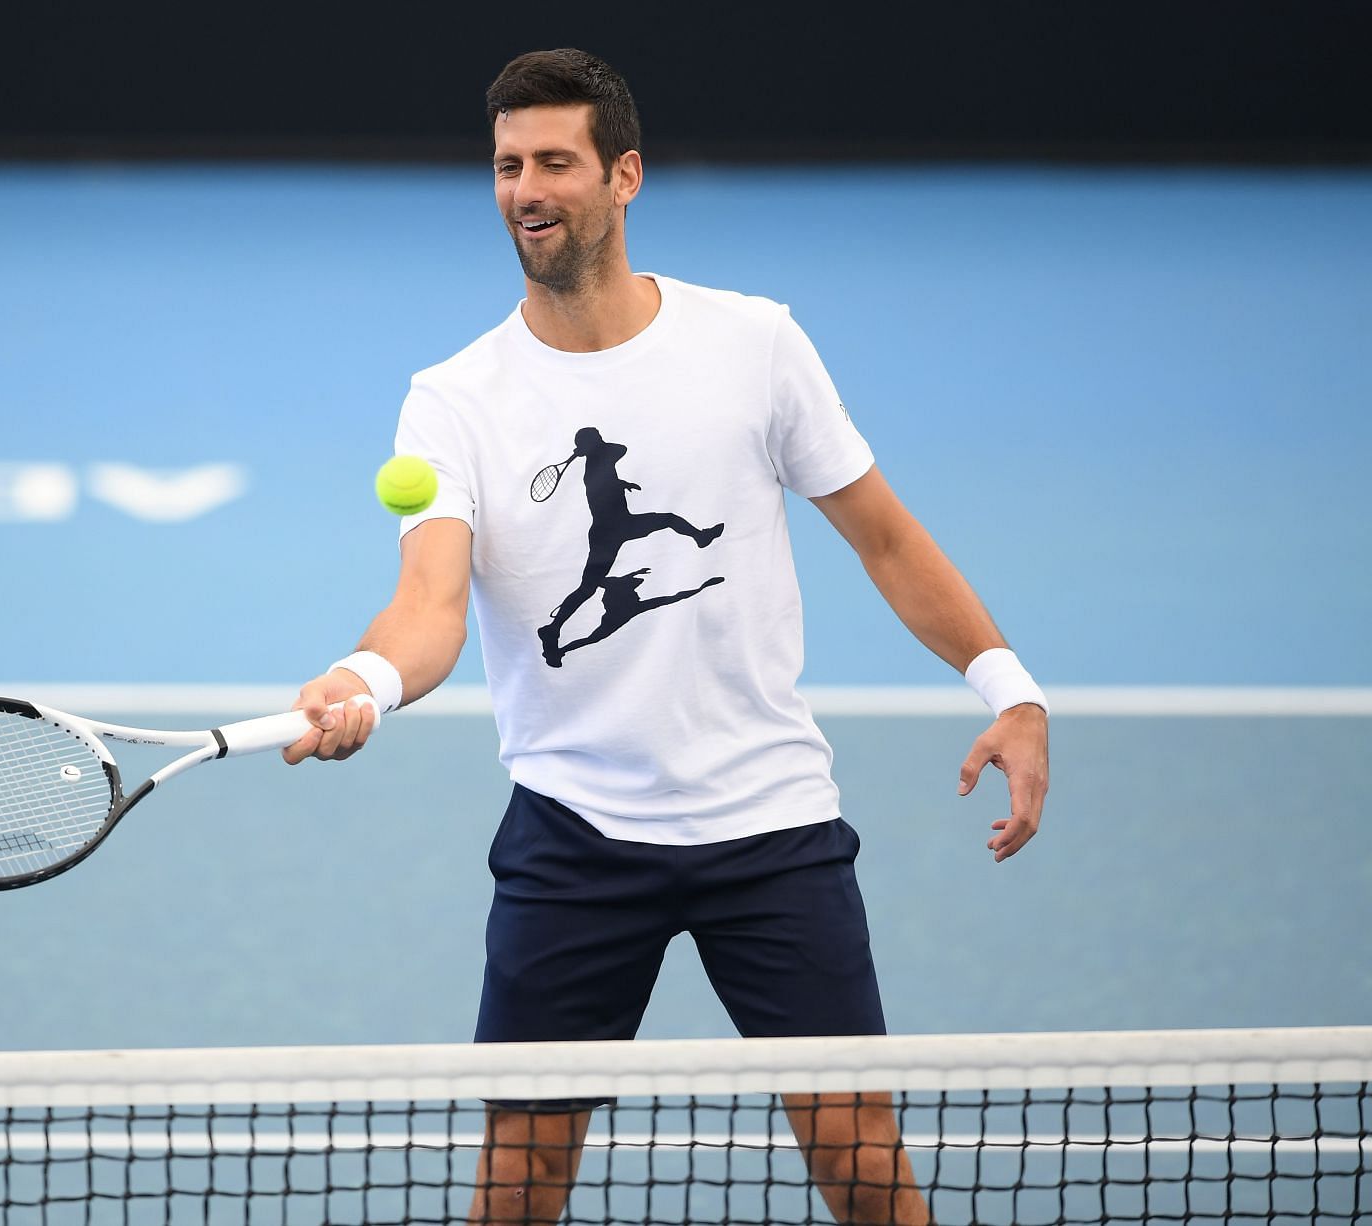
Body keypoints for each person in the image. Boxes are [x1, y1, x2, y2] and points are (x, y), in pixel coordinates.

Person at [283, 47, 1049, 1226]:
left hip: (772, 827)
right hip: (575, 837)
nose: (525, 189)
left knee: (860, 1161)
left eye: (553, 162)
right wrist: (367, 681)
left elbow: (886, 535)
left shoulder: (753, 343)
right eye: (504, 166)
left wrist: (1010, 686)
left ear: (624, 175)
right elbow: (430, 605)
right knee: (519, 1176)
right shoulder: (455, 398)